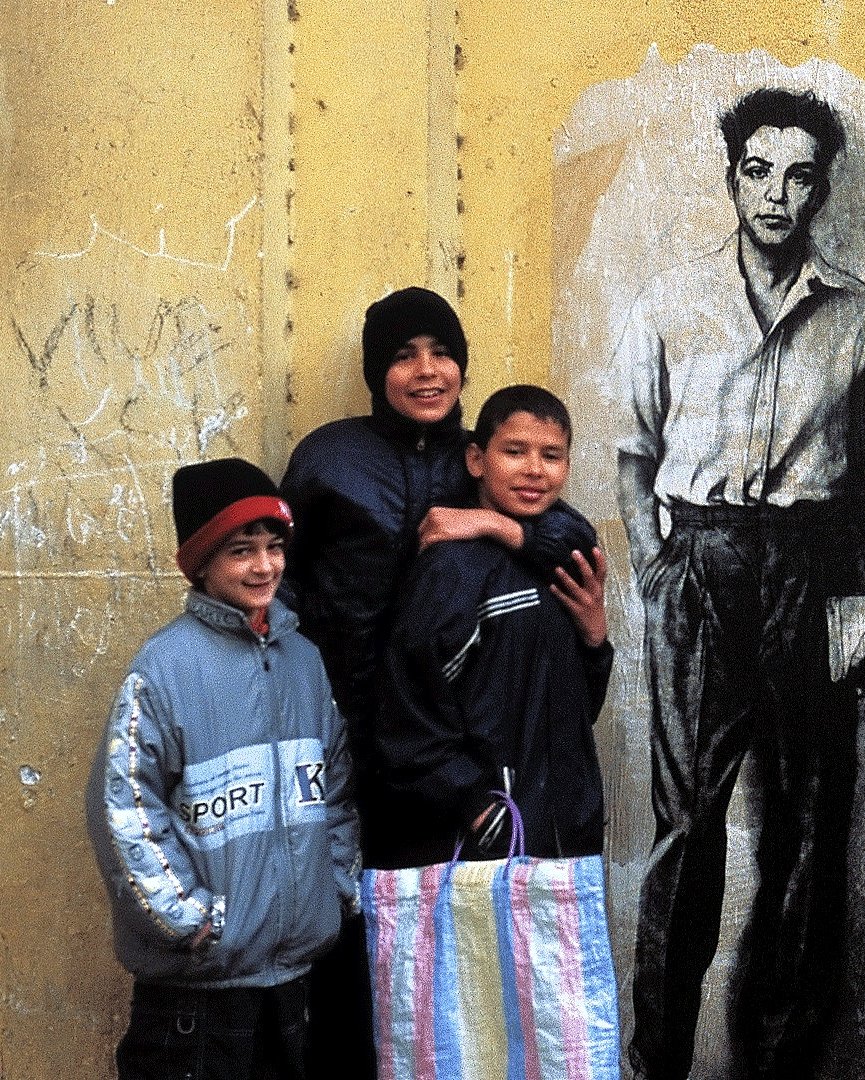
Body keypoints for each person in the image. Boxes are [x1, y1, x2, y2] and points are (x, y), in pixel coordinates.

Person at [614, 87, 865, 1080]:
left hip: (813, 566)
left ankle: (782, 1061)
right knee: (685, 830)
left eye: (798, 175)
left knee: (808, 828)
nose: (776, 195)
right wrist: (657, 570)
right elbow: (632, 459)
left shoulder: (863, 318)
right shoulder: (668, 303)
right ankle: (655, 1058)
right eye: (757, 171)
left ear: (821, 188)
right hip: (700, 565)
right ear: (730, 178)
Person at [281, 286, 589, 1077]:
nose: (426, 372)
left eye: (441, 352)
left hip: (445, 746)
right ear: (373, 372)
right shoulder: (330, 457)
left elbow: (568, 532)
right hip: (345, 731)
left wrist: (491, 523)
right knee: (348, 936)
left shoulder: (480, 455)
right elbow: (277, 577)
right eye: (402, 356)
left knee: (435, 954)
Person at [87, 458, 359, 1079]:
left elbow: (337, 787)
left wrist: (333, 886)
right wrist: (194, 919)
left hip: (293, 983)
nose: (265, 566)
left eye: (274, 547)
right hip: (198, 998)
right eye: (241, 550)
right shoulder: (164, 669)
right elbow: (125, 808)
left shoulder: (303, 661)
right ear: (201, 561)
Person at [371, 384, 611, 866]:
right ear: (477, 459)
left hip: (564, 831)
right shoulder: (451, 568)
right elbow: (405, 704)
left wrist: (594, 641)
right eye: (514, 451)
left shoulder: (565, 565)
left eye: (552, 455)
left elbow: (575, 708)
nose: (535, 470)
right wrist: (475, 804)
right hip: (485, 842)